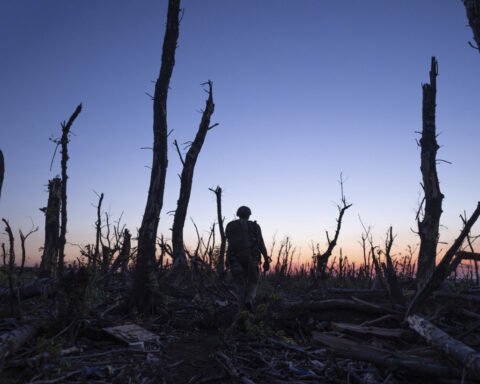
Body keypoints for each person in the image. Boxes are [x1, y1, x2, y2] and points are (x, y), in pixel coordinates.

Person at [225, 206, 270, 312]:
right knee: (253, 282)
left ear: (238, 214)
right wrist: (266, 259)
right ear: (249, 215)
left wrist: (227, 261)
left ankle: (241, 309)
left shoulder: (230, 226)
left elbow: (229, 244)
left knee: (239, 284)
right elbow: (261, 244)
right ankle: (249, 299)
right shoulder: (255, 226)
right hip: (252, 259)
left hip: (235, 260)